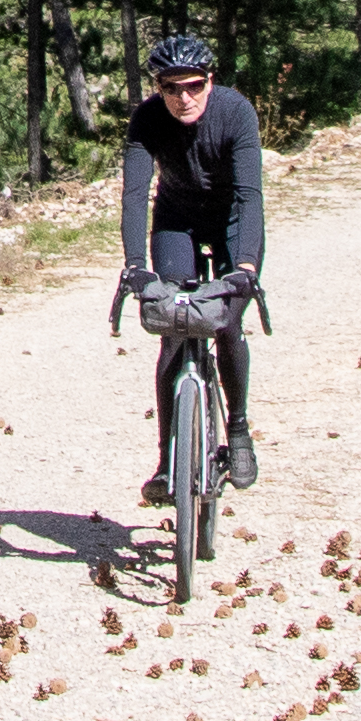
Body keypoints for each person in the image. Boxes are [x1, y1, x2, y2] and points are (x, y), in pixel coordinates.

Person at [118, 32, 265, 500]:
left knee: (226, 324)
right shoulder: (146, 119)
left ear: (210, 81)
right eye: (171, 88)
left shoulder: (235, 111)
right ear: (158, 89)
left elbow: (249, 195)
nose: (184, 98)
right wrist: (135, 266)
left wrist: (244, 266)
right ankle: (167, 461)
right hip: (176, 219)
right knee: (175, 328)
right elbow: (136, 195)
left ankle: (237, 430)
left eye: (194, 86)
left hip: (230, 222)